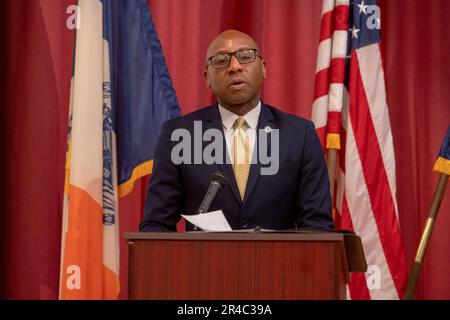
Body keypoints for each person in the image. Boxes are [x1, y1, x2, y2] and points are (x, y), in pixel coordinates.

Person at [139, 30, 333, 231]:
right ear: (207, 77)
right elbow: (156, 225)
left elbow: (317, 226)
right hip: (203, 262)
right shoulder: (178, 135)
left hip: (278, 262)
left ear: (264, 68)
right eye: (221, 61)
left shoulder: (299, 135)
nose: (234, 67)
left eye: (245, 56)